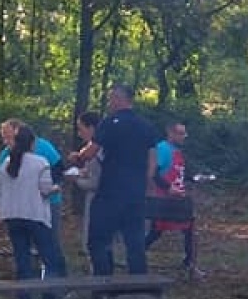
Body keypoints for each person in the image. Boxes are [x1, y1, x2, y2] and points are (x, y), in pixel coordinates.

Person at [0, 124, 68, 299]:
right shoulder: (40, 162)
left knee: (22, 260)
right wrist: (57, 188)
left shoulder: (7, 163)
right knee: (49, 259)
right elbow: (45, 189)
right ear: (32, 143)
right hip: (35, 216)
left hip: (13, 217)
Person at [87, 83, 161, 276]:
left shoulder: (109, 123)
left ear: (119, 99)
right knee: (135, 243)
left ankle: (103, 286)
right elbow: (153, 161)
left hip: (109, 194)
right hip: (135, 195)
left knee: (99, 240)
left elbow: (92, 151)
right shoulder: (146, 126)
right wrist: (146, 182)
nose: (109, 102)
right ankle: (140, 289)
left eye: (111, 98)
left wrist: (77, 157)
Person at [144, 121, 205, 279]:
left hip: (177, 199)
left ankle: (189, 264)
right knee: (156, 231)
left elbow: (180, 173)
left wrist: (196, 178)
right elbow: (154, 174)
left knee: (190, 229)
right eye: (180, 133)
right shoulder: (163, 149)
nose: (183, 137)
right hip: (164, 200)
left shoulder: (177, 151)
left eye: (184, 133)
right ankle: (136, 255)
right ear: (170, 133)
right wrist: (168, 188)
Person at [0, 119, 64, 227]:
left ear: (19, 135)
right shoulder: (7, 153)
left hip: (47, 203)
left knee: (49, 240)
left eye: (8, 137)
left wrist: (49, 188)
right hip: (21, 207)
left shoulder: (44, 147)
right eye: (4, 137)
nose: (5, 142)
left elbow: (59, 169)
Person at [66, 111, 103, 261]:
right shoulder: (91, 148)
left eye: (81, 129)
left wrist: (75, 180)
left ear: (92, 128)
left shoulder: (99, 150)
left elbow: (95, 182)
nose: (79, 134)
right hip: (99, 199)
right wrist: (82, 172)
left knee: (95, 242)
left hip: (99, 201)